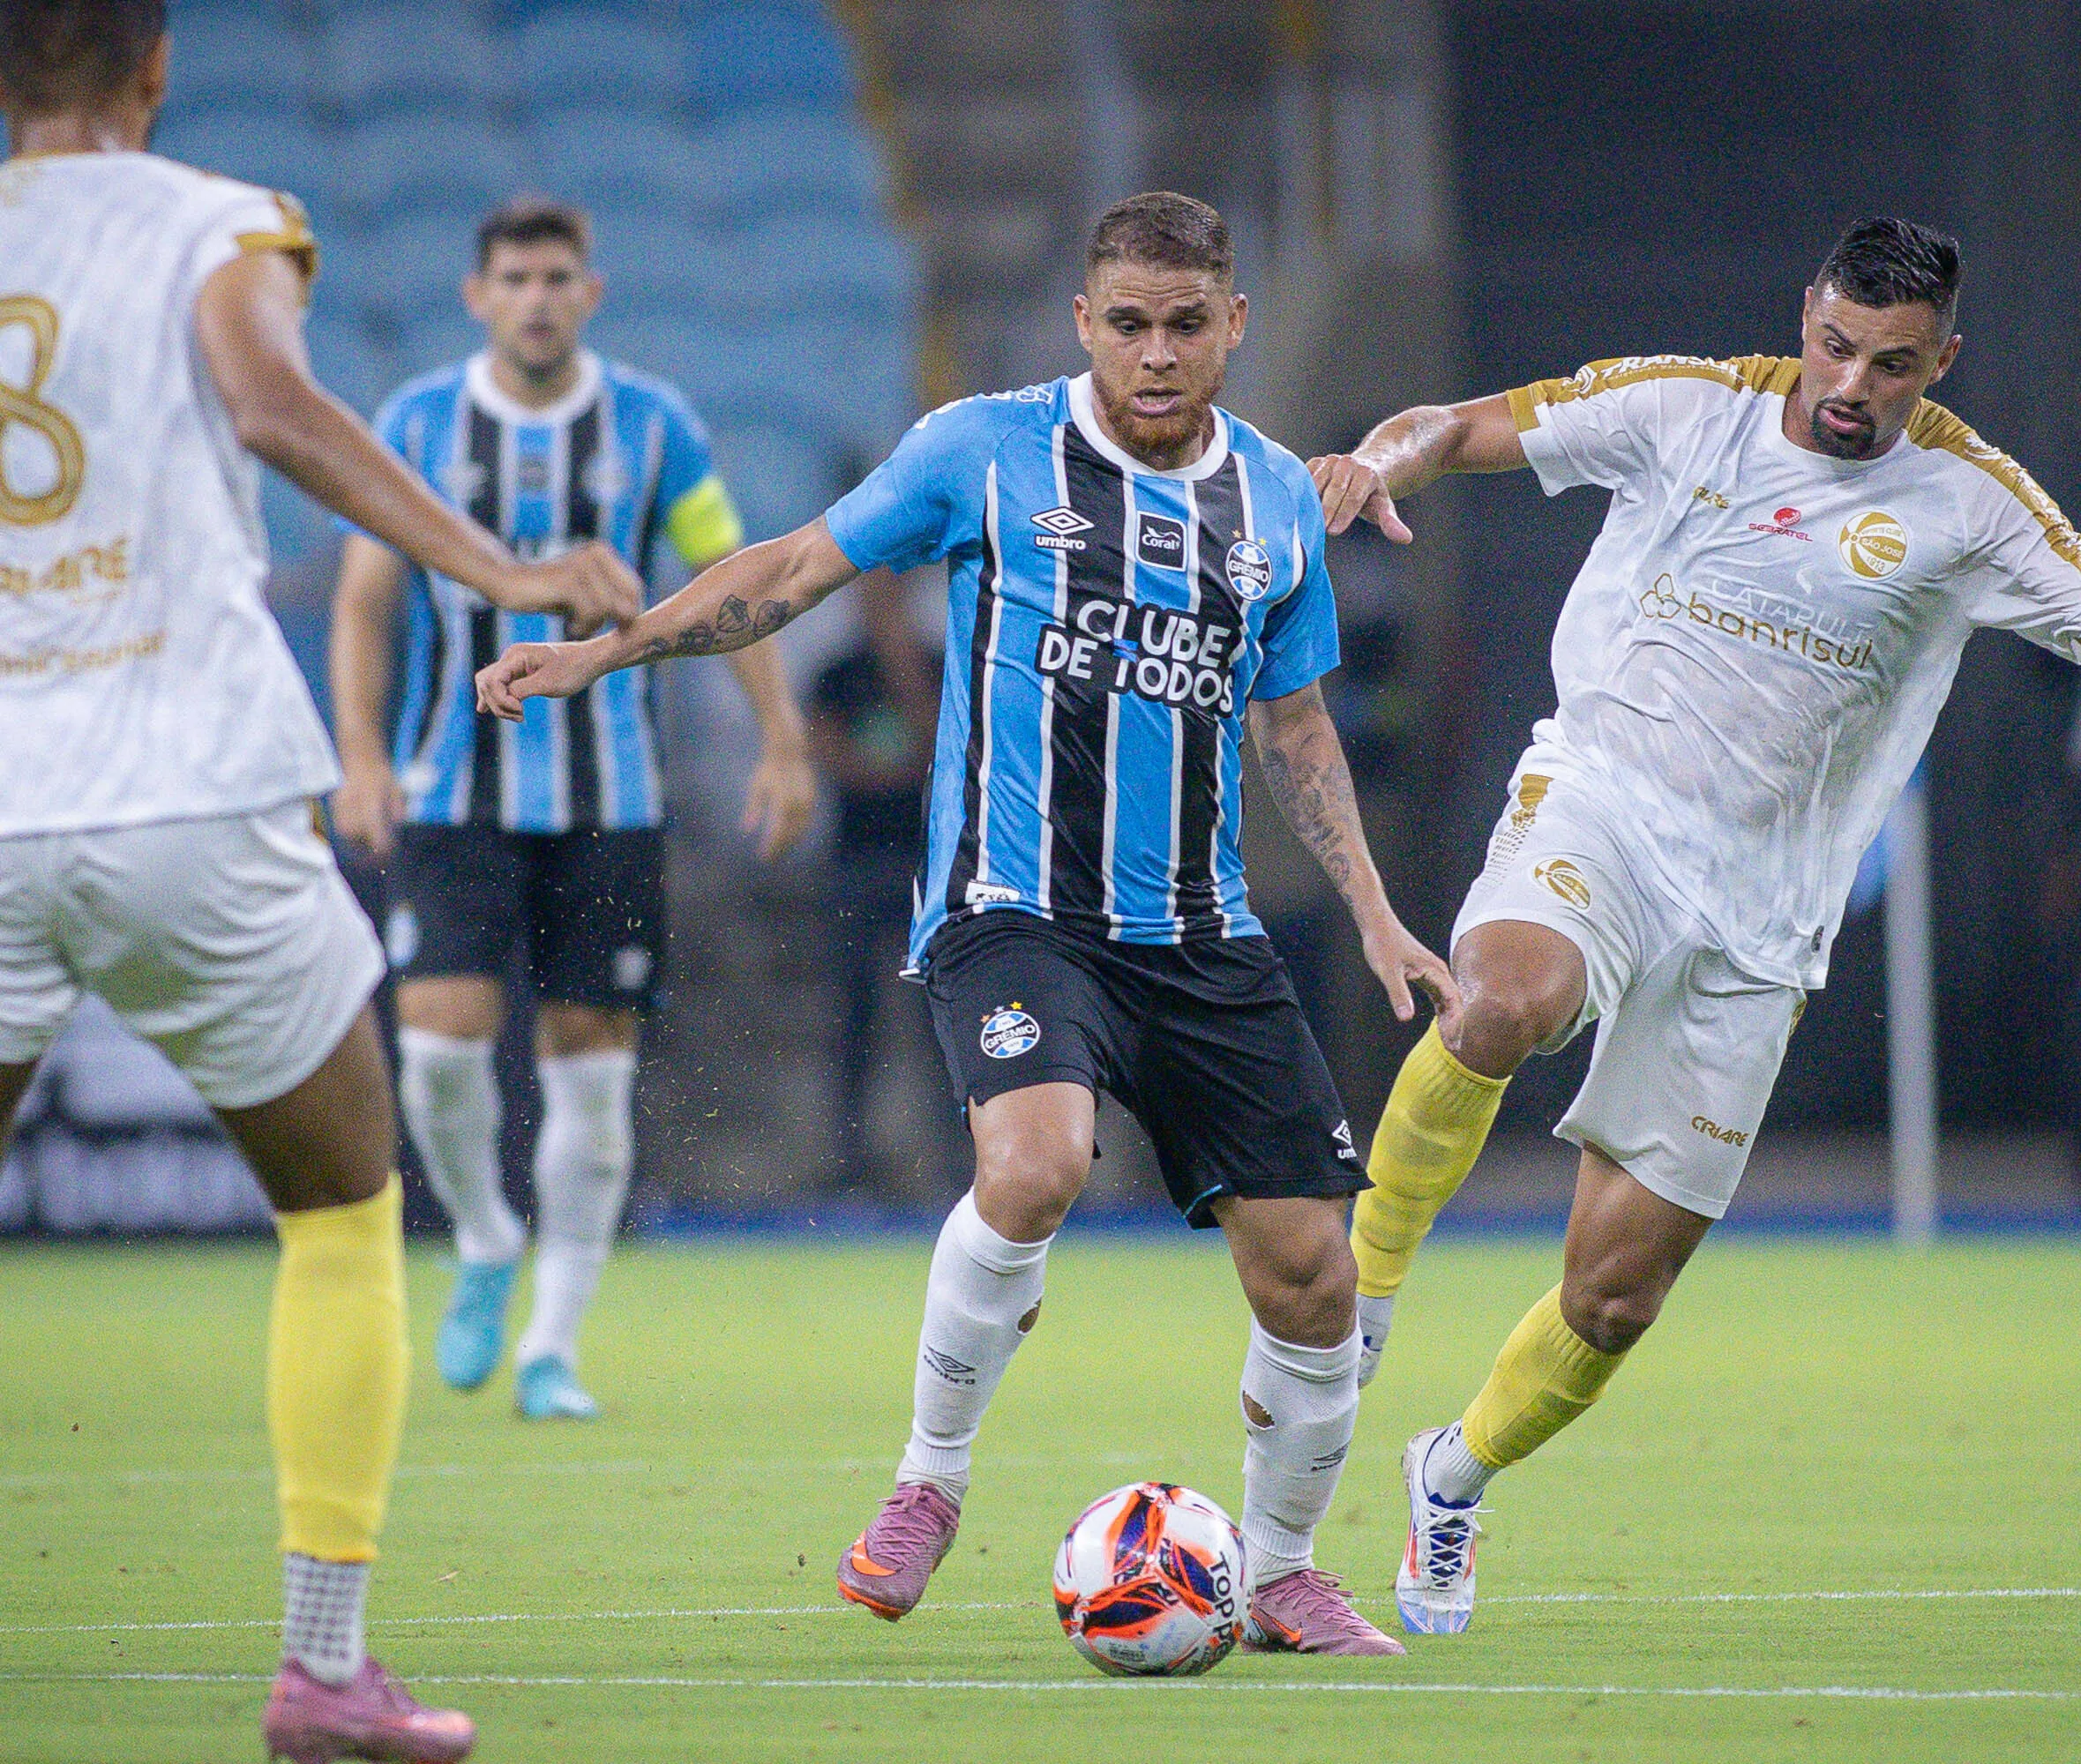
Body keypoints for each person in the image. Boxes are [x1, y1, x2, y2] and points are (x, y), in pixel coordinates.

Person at [1306, 216, 2081, 1635]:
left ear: (1941, 362)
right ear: (1809, 315)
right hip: (1604, 804)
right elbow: (1463, 425)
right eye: (1838, 346)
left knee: (1610, 1304)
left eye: (1892, 365)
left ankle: (1453, 1476)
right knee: (1501, 1000)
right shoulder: (1688, 408)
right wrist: (1379, 459)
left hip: (1764, 916)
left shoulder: (1973, 504)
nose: (1852, 384)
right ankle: (1357, 1296)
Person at [475, 191, 1456, 1656]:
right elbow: (794, 569)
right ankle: (928, 1484)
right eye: (1128, 323)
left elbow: (1297, 723)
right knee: (1041, 1159)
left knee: (1315, 1268)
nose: (1157, 353)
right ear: (1084, 323)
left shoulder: (1275, 506)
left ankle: (1284, 1568)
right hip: (1015, 912)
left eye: (1188, 324)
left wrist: (1375, 913)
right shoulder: (982, 451)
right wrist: (613, 648)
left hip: (1201, 931)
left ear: (1234, 325)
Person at [0, 2, 640, 1754]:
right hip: (188, 783)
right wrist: (498, 569)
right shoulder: (215, 218)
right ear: (153, 69)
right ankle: (326, 1668)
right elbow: (274, 404)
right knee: (344, 1206)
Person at [327, 197, 819, 1423]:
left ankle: (552, 1346)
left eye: (557, 277)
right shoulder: (418, 424)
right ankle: (488, 1237)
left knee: (593, 1080)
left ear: (588, 293)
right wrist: (359, 754)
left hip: (615, 798)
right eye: (516, 278)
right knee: (437, 1045)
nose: (537, 297)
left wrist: (782, 738)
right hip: (456, 785)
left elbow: (728, 586)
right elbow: (365, 602)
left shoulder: (653, 426)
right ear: (477, 296)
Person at [800, 570, 939, 1189]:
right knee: (856, 1019)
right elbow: (828, 754)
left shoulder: (934, 663)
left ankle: (955, 1160)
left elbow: (944, 744)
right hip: (855, 864)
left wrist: (899, 656)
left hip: (925, 868)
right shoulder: (836, 674)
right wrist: (896, 771)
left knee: (939, 1025)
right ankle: (848, 1159)